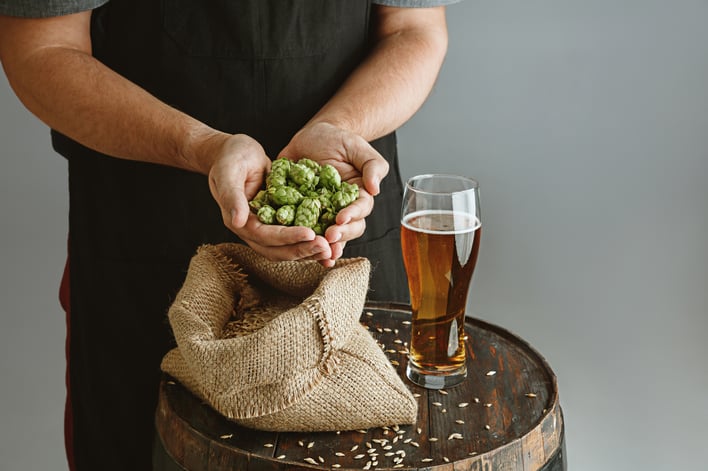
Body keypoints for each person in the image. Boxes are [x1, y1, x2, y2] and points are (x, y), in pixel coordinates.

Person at [0, 1, 457, 469]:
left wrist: (338, 128)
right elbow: (41, 49)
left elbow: (413, 29)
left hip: (342, 221)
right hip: (144, 235)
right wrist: (201, 146)